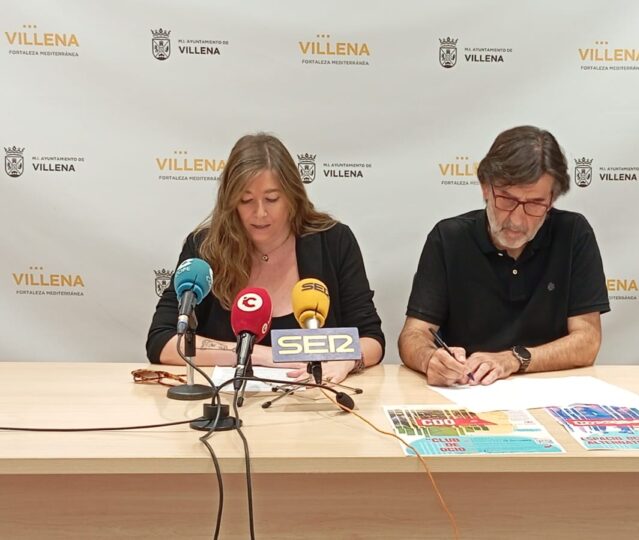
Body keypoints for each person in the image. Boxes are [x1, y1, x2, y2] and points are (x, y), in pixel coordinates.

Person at [146, 133, 384, 383]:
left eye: (272, 199)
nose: (259, 213)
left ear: (292, 197)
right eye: (246, 200)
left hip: (315, 398)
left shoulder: (333, 242)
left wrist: (346, 361)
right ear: (230, 202)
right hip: (224, 400)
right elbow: (163, 341)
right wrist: (259, 354)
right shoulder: (206, 247)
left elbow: (371, 339)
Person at [398, 125, 609, 387]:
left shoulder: (573, 233)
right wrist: (431, 359)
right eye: (507, 200)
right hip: (468, 390)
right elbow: (413, 334)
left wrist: (513, 359)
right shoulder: (449, 238)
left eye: (535, 204)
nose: (517, 220)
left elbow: (588, 341)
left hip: (550, 390)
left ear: (552, 200)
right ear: (485, 187)